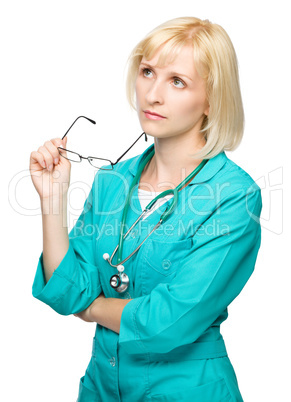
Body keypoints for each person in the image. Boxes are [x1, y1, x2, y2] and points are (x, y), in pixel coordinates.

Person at [30, 16, 262, 402]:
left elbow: (169, 322)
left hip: (188, 392)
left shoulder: (234, 196)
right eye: (148, 71)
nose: (152, 94)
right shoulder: (112, 181)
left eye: (177, 81)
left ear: (211, 100)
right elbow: (69, 293)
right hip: (102, 389)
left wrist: (94, 309)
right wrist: (52, 201)